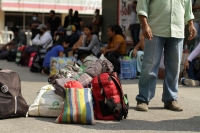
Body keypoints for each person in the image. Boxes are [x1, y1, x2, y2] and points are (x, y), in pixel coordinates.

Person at [135, 0, 196, 112]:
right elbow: (142, 4)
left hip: (177, 31)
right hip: (155, 29)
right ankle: (143, 99)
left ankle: (170, 99)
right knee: (150, 65)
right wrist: (145, 26)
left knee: (174, 67)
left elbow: (188, 7)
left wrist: (191, 24)